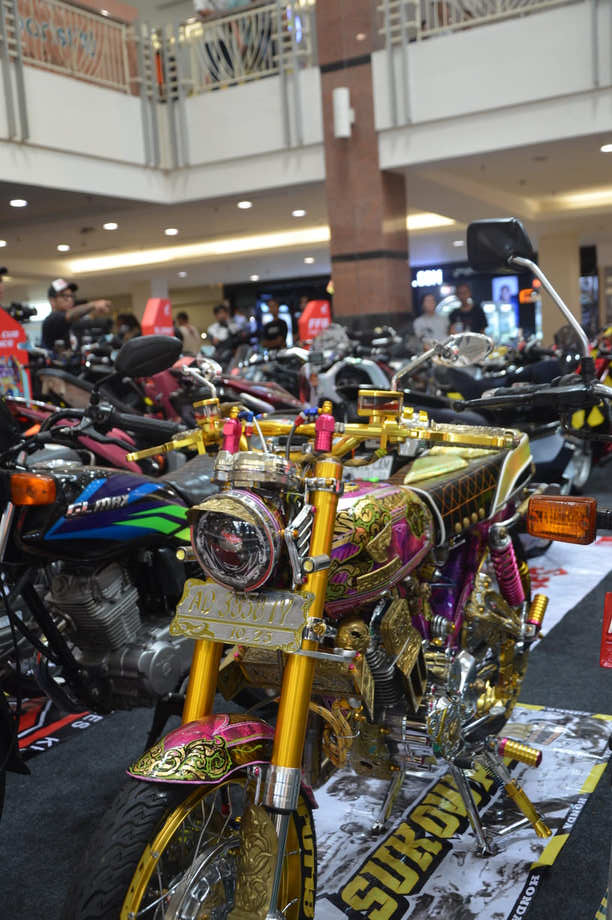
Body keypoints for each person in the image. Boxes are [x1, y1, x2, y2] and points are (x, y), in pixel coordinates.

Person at [42, 279, 110, 351]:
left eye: (72, 296)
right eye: (65, 296)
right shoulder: (51, 321)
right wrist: (93, 305)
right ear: (52, 301)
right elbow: (67, 316)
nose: (70, 299)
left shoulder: (74, 321)